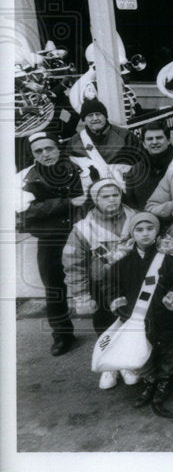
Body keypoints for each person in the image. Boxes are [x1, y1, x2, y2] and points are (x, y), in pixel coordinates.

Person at [106, 212, 173, 407]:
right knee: (143, 349)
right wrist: (119, 302)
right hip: (137, 316)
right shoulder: (123, 258)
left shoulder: (169, 255)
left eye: (150, 229)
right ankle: (149, 380)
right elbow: (111, 285)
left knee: (167, 348)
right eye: (139, 230)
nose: (145, 234)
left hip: (165, 313)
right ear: (132, 233)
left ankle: (165, 380)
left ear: (157, 231)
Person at [17, 131, 93, 355]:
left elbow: (96, 195)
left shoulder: (83, 169)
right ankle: (61, 336)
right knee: (54, 289)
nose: (45, 154)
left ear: (58, 148)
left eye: (49, 148)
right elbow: (26, 213)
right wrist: (65, 202)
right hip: (51, 239)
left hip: (83, 235)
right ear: (33, 155)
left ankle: (106, 330)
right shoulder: (26, 178)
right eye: (38, 151)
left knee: (98, 280)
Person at [62, 176, 137, 388]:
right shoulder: (83, 229)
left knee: (130, 323)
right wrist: (82, 295)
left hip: (131, 282)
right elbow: (73, 263)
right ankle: (109, 366)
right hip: (101, 286)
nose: (111, 200)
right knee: (105, 324)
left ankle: (127, 362)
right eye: (105, 196)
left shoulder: (136, 218)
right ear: (95, 199)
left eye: (115, 195)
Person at [67, 98, 143, 179]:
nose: (95, 118)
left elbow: (142, 163)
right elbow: (70, 167)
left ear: (105, 116)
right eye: (90, 115)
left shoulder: (125, 136)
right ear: (84, 119)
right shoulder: (75, 141)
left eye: (98, 114)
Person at [125, 122, 173, 210]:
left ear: (169, 140)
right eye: (149, 139)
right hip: (147, 221)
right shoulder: (134, 171)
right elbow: (132, 205)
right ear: (144, 144)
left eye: (159, 138)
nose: (154, 142)